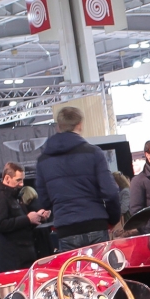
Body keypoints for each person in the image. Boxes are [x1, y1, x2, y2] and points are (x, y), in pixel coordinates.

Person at [36, 106, 121, 253]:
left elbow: (44, 202)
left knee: (73, 268)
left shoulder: (43, 161)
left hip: (66, 229)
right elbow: (110, 192)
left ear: (58, 127)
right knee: (101, 267)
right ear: (80, 125)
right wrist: (112, 219)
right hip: (95, 224)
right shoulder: (94, 153)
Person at [0, 162, 49, 272]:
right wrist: (27, 219)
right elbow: (0, 224)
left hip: (24, 257)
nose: (22, 184)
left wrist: (37, 218)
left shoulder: (14, 196)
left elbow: (20, 224)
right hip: (13, 261)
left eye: (22, 180)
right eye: (18, 180)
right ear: (7, 178)